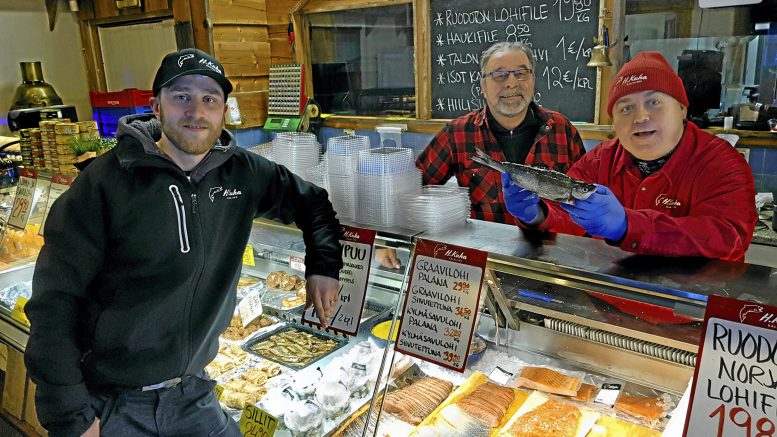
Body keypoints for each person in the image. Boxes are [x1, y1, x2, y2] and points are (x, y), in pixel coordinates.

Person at [24, 48, 343, 437]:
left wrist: (324, 267)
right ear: (156, 106)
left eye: (210, 99)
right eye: (182, 97)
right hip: (112, 404)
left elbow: (314, 204)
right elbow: (54, 303)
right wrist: (71, 418)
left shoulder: (243, 173)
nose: (196, 110)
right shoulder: (103, 184)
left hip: (193, 394)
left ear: (223, 111)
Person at [502, 51, 756, 261]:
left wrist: (629, 225)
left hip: (688, 314)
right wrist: (537, 214)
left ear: (681, 109)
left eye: (654, 102)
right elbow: (567, 217)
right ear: (614, 122)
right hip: (605, 304)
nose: (640, 117)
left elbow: (728, 239)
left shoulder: (722, 163)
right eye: (626, 108)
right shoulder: (598, 161)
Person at [375, 41, 586, 269]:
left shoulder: (562, 129)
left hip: (554, 263)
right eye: (499, 75)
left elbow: (586, 196)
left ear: (533, 80)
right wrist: (386, 239)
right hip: (485, 265)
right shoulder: (457, 133)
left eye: (521, 73)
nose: (512, 83)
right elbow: (413, 188)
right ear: (482, 86)